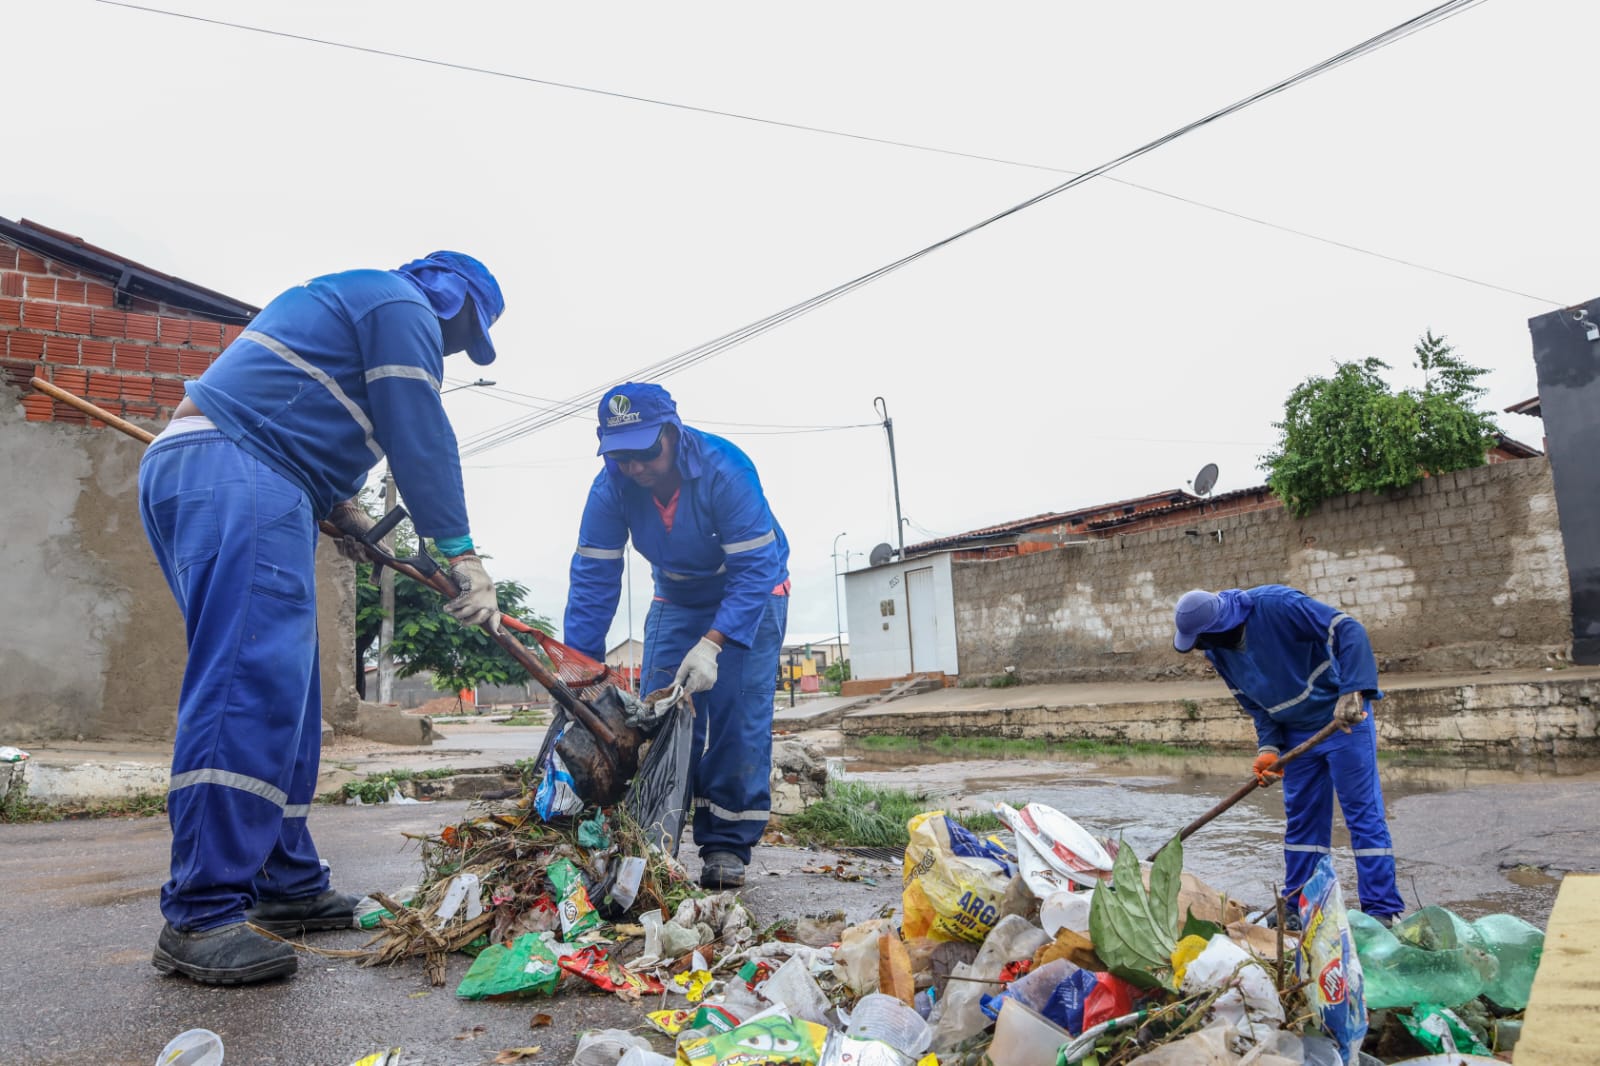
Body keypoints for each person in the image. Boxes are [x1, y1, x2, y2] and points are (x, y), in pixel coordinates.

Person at [137, 251, 507, 984]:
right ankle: (201, 912)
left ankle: (286, 884)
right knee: (248, 686)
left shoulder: (359, 307)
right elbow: (419, 430)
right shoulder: (400, 305)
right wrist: (461, 552)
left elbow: (302, 412)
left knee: (289, 696)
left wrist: (343, 506)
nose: (458, 350)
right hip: (238, 468)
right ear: (453, 300)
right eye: (466, 332)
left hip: (259, 474)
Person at [563, 382, 789, 889]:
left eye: (646, 451)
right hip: (678, 596)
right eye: (621, 456)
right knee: (657, 716)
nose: (636, 467)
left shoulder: (726, 471)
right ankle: (647, 843)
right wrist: (577, 670)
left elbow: (756, 569)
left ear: (673, 432)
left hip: (754, 588)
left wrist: (714, 643)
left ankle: (727, 845)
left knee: (736, 714)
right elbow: (593, 580)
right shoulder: (610, 488)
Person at [1172, 585, 1405, 926]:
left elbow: (1347, 629)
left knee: (1362, 815)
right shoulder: (1218, 653)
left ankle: (1382, 911)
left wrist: (1353, 690)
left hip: (1341, 721)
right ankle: (1299, 906)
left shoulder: (1278, 606)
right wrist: (1269, 748)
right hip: (1296, 734)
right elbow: (1255, 703)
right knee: (1302, 822)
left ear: (1217, 629)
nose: (1200, 650)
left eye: (1201, 641)